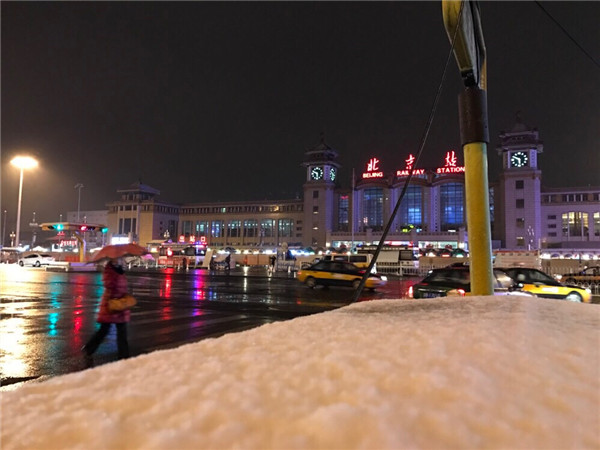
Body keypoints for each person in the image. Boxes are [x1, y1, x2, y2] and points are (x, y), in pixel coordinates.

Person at [82, 259, 131, 367]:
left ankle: (124, 357)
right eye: (116, 259)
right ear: (112, 260)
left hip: (120, 305)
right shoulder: (109, 271)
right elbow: (110, 285)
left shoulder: (119, 270)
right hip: (111, 305)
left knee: (122, 332)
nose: (119, 260)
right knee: (104, 330)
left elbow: (123, 287)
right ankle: (89, 349)